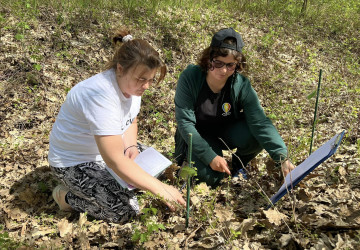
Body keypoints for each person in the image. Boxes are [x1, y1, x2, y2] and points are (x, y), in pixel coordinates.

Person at [48, 28, 185, 223]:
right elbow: (114, 160)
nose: (146, 86)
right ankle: (66, 197)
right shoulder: (99, 95)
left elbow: (131, 118)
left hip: (110, 150)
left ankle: (116, 186)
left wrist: (130, 146)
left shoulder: (131, 87)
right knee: (124, 211)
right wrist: (160, 189)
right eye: (142, 79)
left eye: (151, 80)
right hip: (74, 162)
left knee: (162, 169)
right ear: (120, 69)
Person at [174, 28, 295, 188]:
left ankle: (239, 166)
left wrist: (282, 157)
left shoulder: (241, 85)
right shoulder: (191, 77)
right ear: (209, 58)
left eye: (231, 65)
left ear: (238, 64)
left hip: (226, 131)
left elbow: (260, 122)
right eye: (218, 63)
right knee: (209, 178)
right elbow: (185, 124)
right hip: (199, 134)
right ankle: (209, 164)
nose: (224, 71)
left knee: (255, 135)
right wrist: (210, 156)